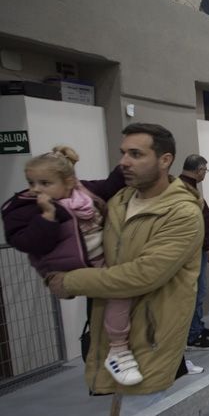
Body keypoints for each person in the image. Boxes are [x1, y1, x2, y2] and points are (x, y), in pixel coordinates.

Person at [45, 123, 204, 416]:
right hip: (118, 334)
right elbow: (94, 246)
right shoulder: (118, 202)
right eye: (123, 153)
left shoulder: (182, 212)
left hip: (153, 337)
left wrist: (71, 282)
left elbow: (142, 274)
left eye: (136, 154)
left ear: (166, 159)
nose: (125, 162)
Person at [2, 145, 138, 383]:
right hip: (65, 271)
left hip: (100, 262)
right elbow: (28, 242)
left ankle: (114, 352)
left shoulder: (83, 194)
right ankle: (118, 351)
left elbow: (109, 186)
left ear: (69, 182)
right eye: (31, 182)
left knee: (123, 299)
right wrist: (47, 217)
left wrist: (127, 163)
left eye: (45, 183)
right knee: (121, 293)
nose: (36, 190)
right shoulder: (26, 208)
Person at [178, 155, 209, 353]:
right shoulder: (184, 189)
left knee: (199, 291)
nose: (205, 174)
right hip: (195, 250)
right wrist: (207, 247)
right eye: (206, 170)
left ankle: (197, 327)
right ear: (200, 169)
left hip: (199, 248)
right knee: (196, 292)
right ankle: (192, 336)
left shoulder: (190, 186)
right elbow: (194, 224)